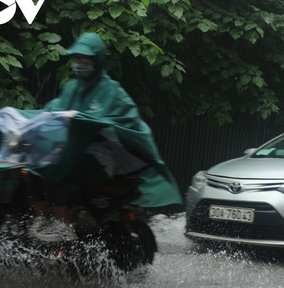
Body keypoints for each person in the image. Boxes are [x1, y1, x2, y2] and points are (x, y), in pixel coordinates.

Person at [21, 32, 182, 242]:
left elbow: (124, 122)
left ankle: (63, 226)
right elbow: (54, 110)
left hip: (104, 157)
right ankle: (42, 220)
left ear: (97, 60)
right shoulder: (72, 88)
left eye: (85, 58)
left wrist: (83, 119)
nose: (79, 63)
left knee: (53, 167)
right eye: (76, 58)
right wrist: (29, 120)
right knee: (32, 163)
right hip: (75, 152)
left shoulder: (111, 91)